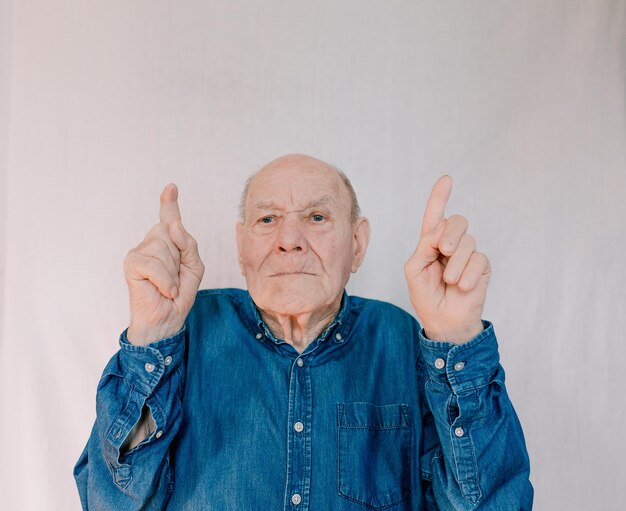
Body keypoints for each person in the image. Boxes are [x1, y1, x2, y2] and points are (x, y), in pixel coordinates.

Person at [74, 154, 533, 510]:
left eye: (316, 217)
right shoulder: (183, 332)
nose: (289, 238)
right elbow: (110, 503)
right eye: (267, 218)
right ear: (241, 246)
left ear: (357, 245)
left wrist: (457, 342)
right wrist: (151, 337)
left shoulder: (408, 341)